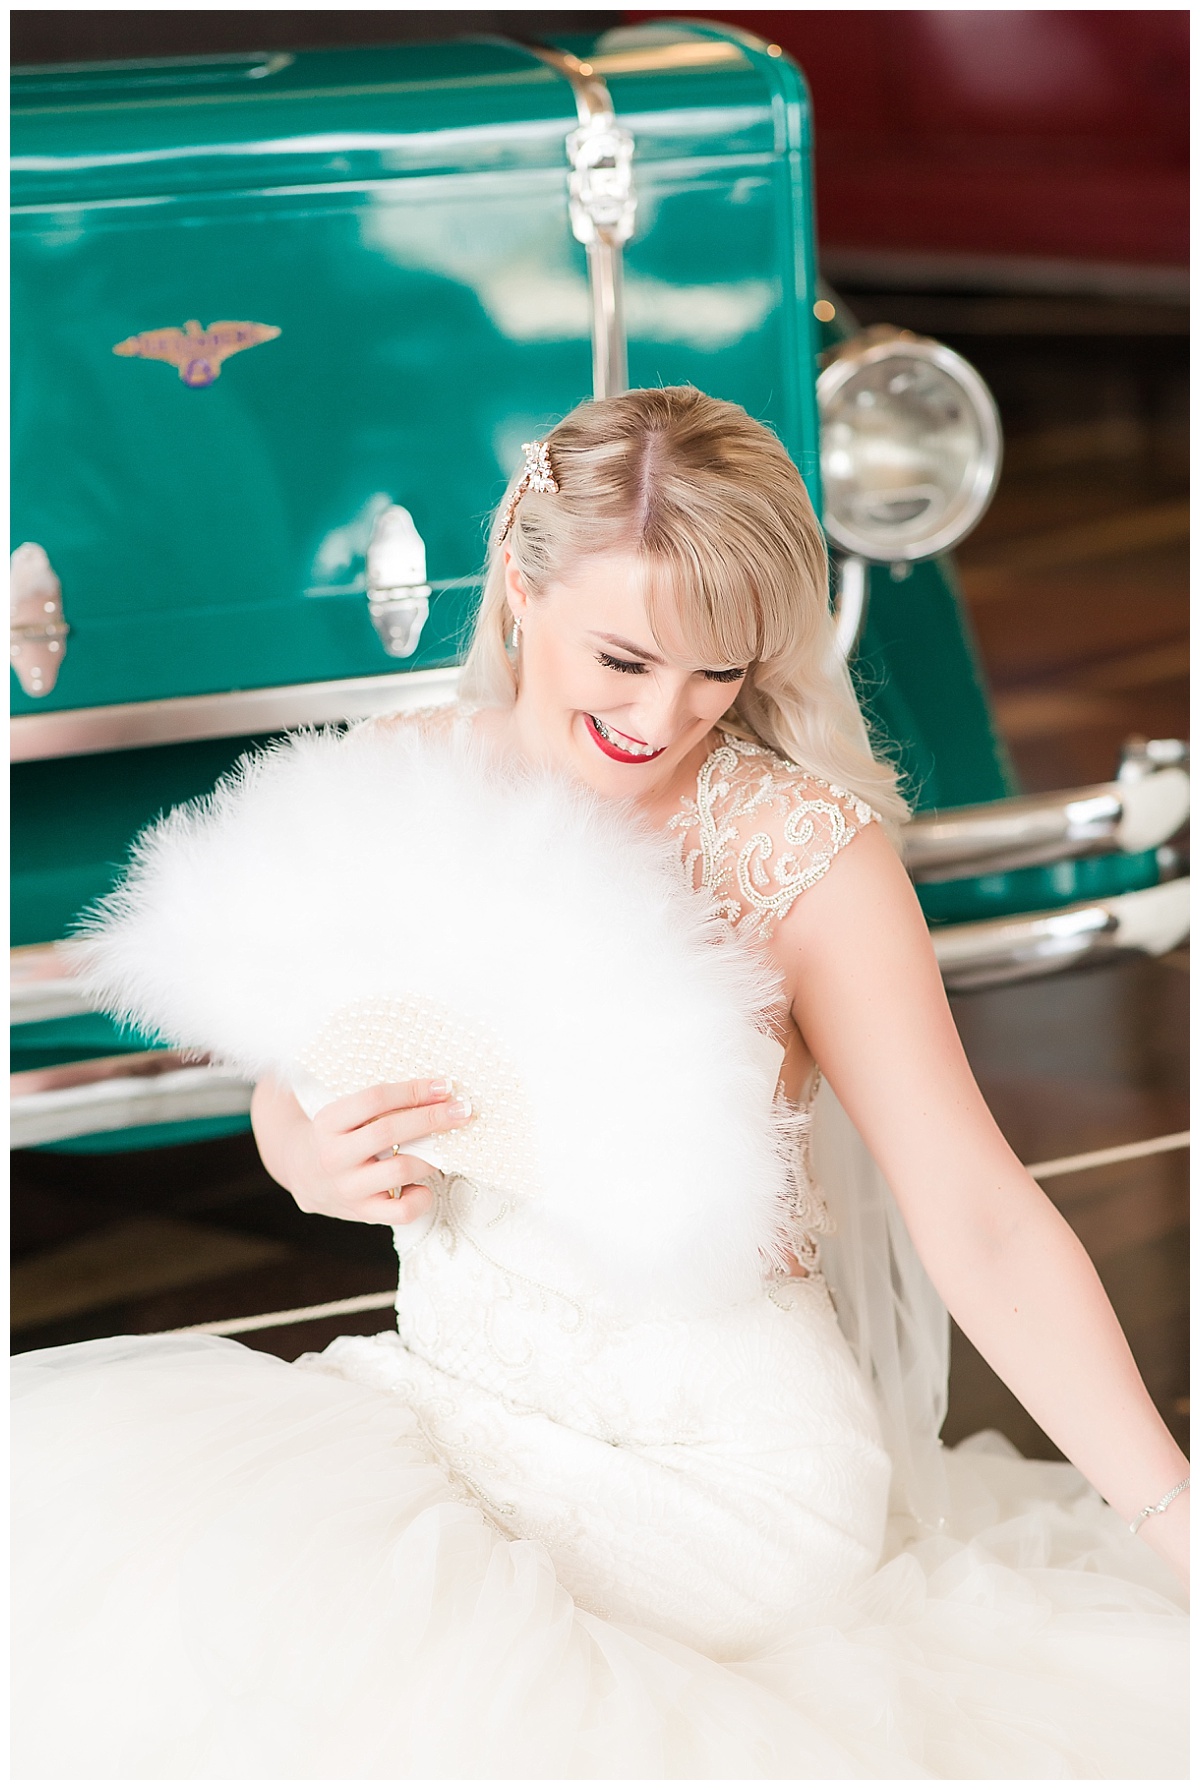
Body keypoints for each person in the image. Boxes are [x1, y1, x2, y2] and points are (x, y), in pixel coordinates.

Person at [12, 388, 1187, 1778]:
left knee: (400, 1690)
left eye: (716, 672)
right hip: (447, 1402)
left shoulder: (805, 857)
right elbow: (304, 1070)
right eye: (622, 657)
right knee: (141, 1583)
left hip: (722, 1479)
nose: (662, 715)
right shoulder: (399, 787)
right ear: (522, 587)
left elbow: (978, 1217)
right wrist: (303, 1150)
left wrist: (1170, 1513)